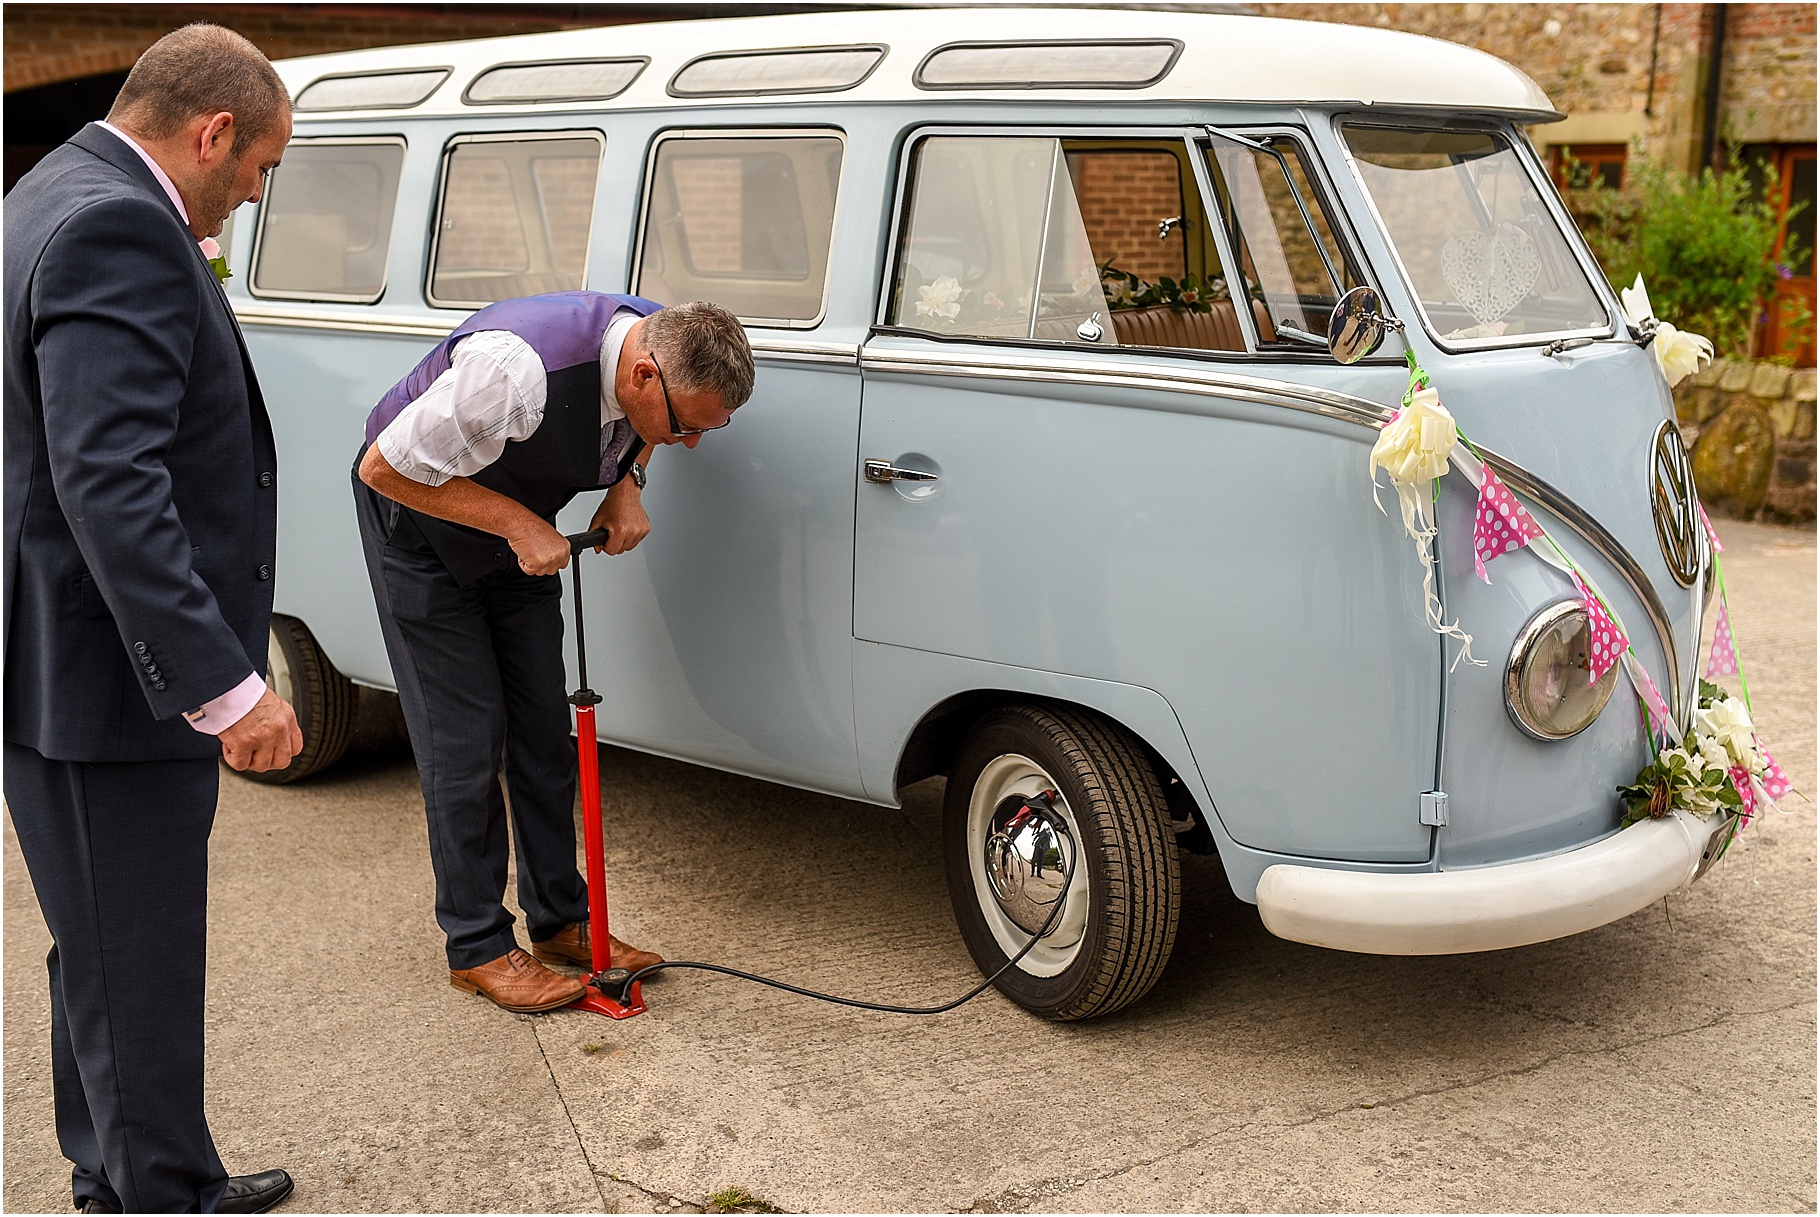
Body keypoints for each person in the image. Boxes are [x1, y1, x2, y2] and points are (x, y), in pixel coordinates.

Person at [3, 24, 302, 1215]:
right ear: (212, 130)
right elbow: (110, 480)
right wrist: (227, 686)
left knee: (104, 946)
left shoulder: (45, 188)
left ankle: (122, 1173)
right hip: (104, 678)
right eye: (258, 165)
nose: (253, 189)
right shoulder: (119, 226)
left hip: (51, 658)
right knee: (139, 954)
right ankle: (161, 1197)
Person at [353, 293, 754, 1014]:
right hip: (420, 525)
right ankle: (475, 945)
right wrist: (515, 524)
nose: (689, 442)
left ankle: (561, 922)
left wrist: (629, 481)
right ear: (641, 379)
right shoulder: (514, 373)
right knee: (466, 738)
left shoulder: (666, 338)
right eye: (684, 427)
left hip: (520, 531)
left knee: (543, 728)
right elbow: (384, 466)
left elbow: (643, 431)